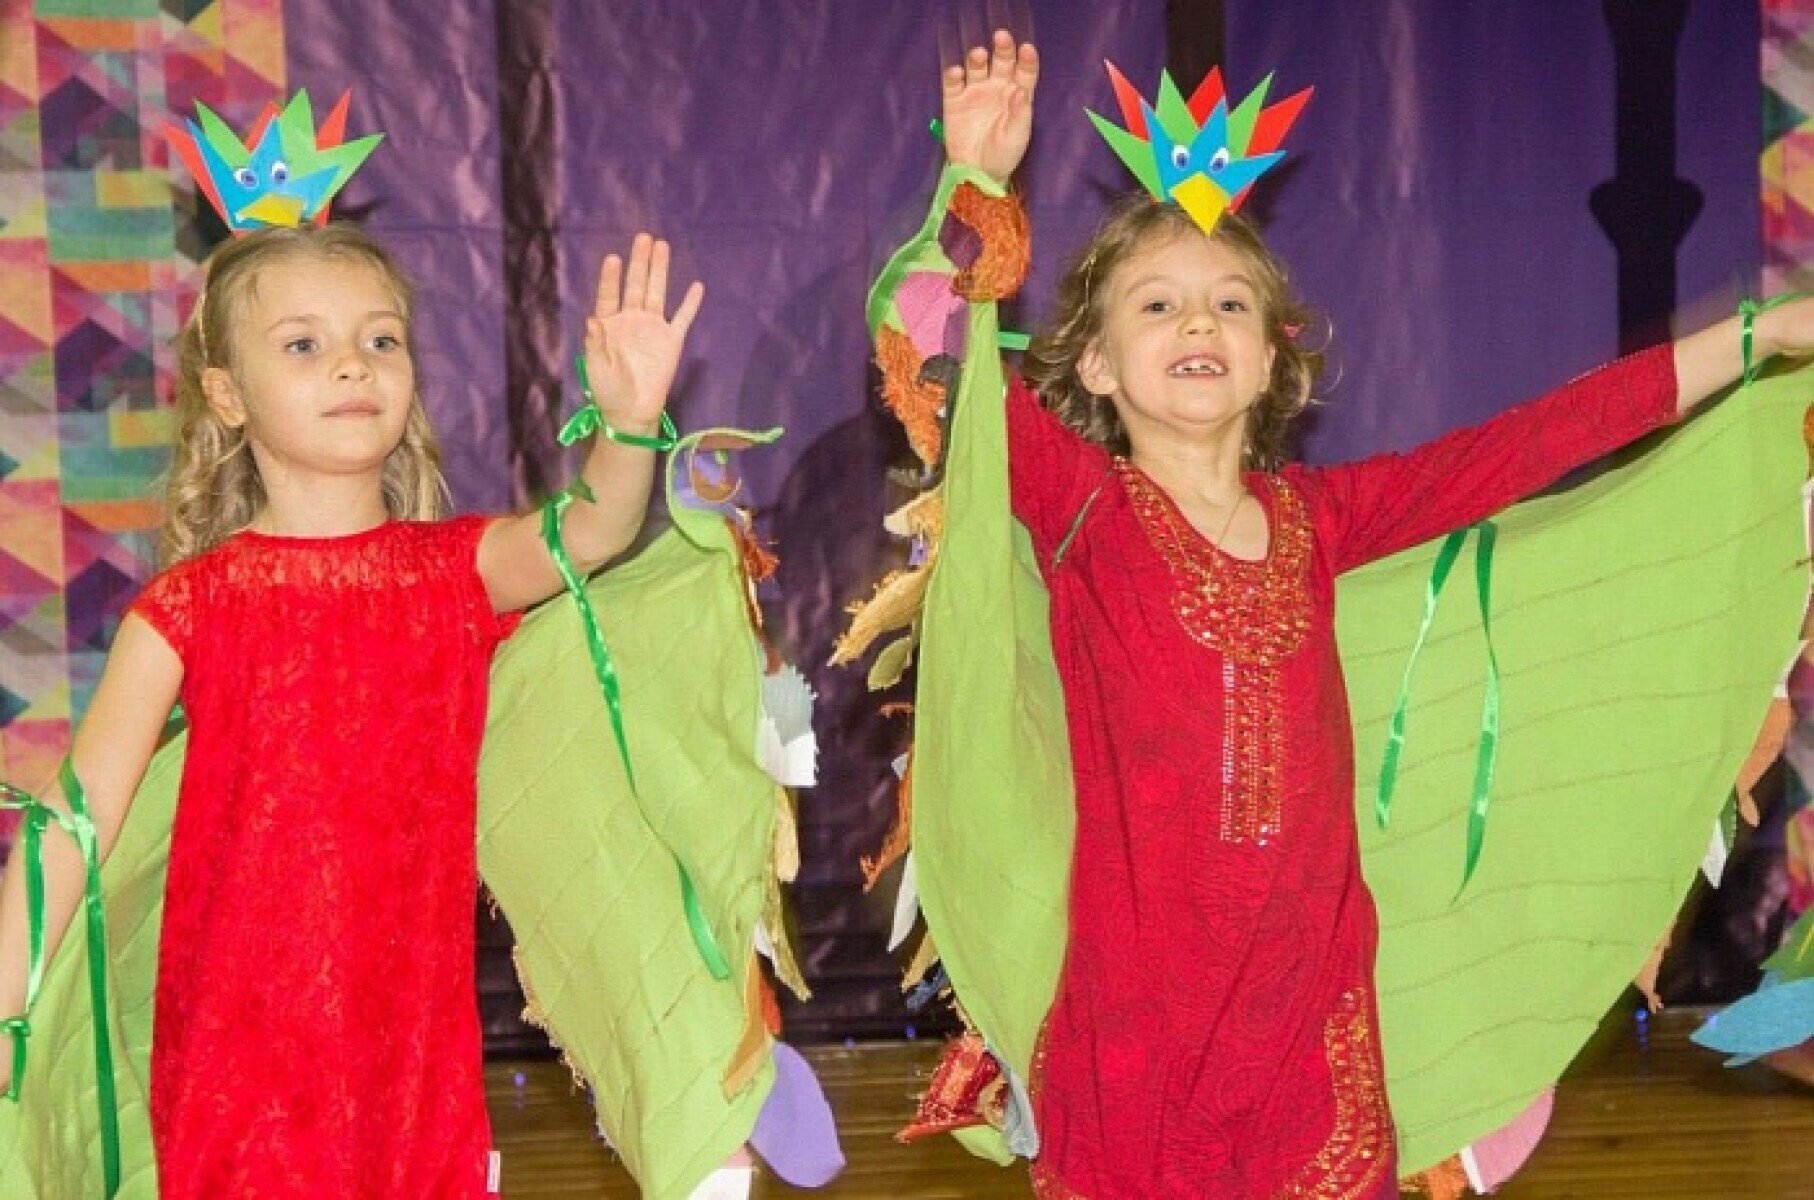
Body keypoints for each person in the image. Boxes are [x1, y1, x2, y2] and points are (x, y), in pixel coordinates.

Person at [849, 29, 1814, 1197]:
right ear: (1094, 364)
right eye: (1156, 304)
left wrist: (1758, 335)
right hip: (1135, 1036)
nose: (1196, 324)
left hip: (1312, 1030)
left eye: (1228, 305)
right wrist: (976, 181)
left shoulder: (1322, 518)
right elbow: (933, 361)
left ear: (1269, 361)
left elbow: (1531, 440)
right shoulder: (1077, 509)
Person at [0, 220, 702, 1197]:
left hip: (411, 1048)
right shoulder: (191, 607)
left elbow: (591, 531)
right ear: (227, 395)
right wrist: (5, 1004)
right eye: (303, 344)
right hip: (233, 1055)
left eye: (381, 339)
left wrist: (627, 423)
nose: (351, 365)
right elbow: (75, 817)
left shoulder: (457, 571)